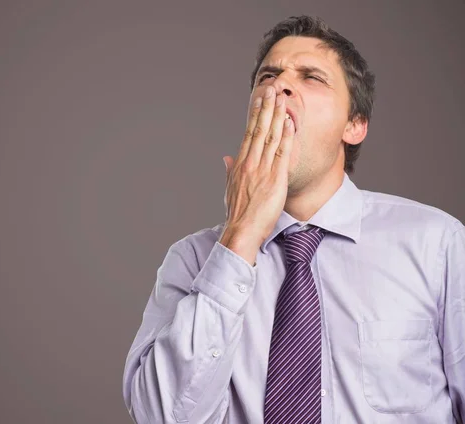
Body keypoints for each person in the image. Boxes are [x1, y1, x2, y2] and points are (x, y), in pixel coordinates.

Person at [122, 15, 464, 424]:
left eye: (311, 77)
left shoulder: (437, 244)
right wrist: (241, 235)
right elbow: (161, 416)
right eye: (268, 75)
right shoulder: (193, 260)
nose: (279, 85)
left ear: (354, 125)